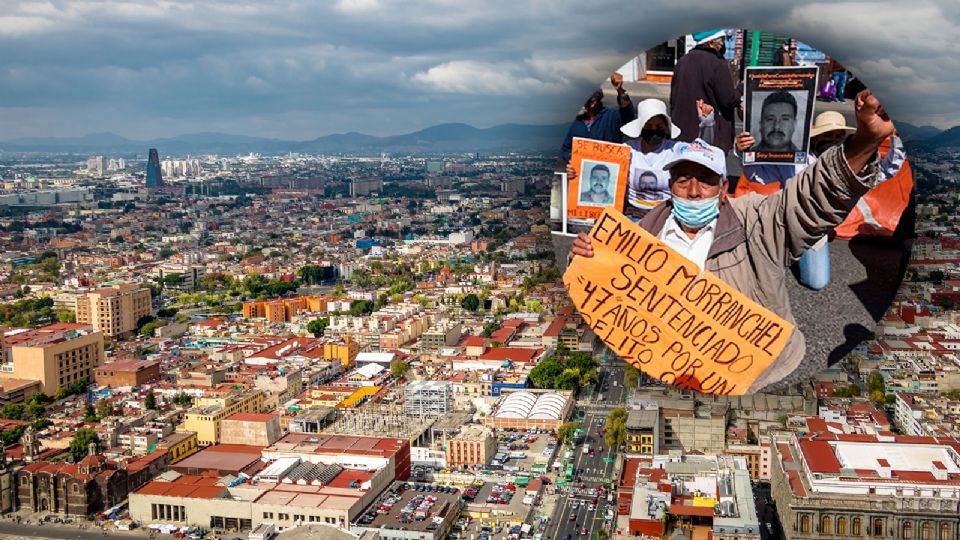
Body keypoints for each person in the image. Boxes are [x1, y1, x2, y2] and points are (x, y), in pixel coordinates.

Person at [569, 90, 894, 392]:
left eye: (706, 181)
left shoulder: (755, 221)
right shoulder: (644, 231)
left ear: (724, 189)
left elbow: (809, 199)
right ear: (670, 185)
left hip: (742, 374)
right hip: (667, 370)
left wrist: (865, 142)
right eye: (683, 180)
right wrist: (584, 255)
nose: (693, 191)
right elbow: (603, 288)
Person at [670, 29, 742, 152]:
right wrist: (741, 88)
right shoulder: (717, 63)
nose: (723, 44)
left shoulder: (682, 61)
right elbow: (728, 100)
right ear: (711, 43)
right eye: (721, 41)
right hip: (709, 136)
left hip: (682, 134)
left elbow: (673, 99)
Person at [560, 73, 635, 162]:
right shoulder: (575, 123)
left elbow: (628, 113)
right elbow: (566, 149)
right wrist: (571, 159)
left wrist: (620, 90)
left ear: (592, 103)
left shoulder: (611, 117)